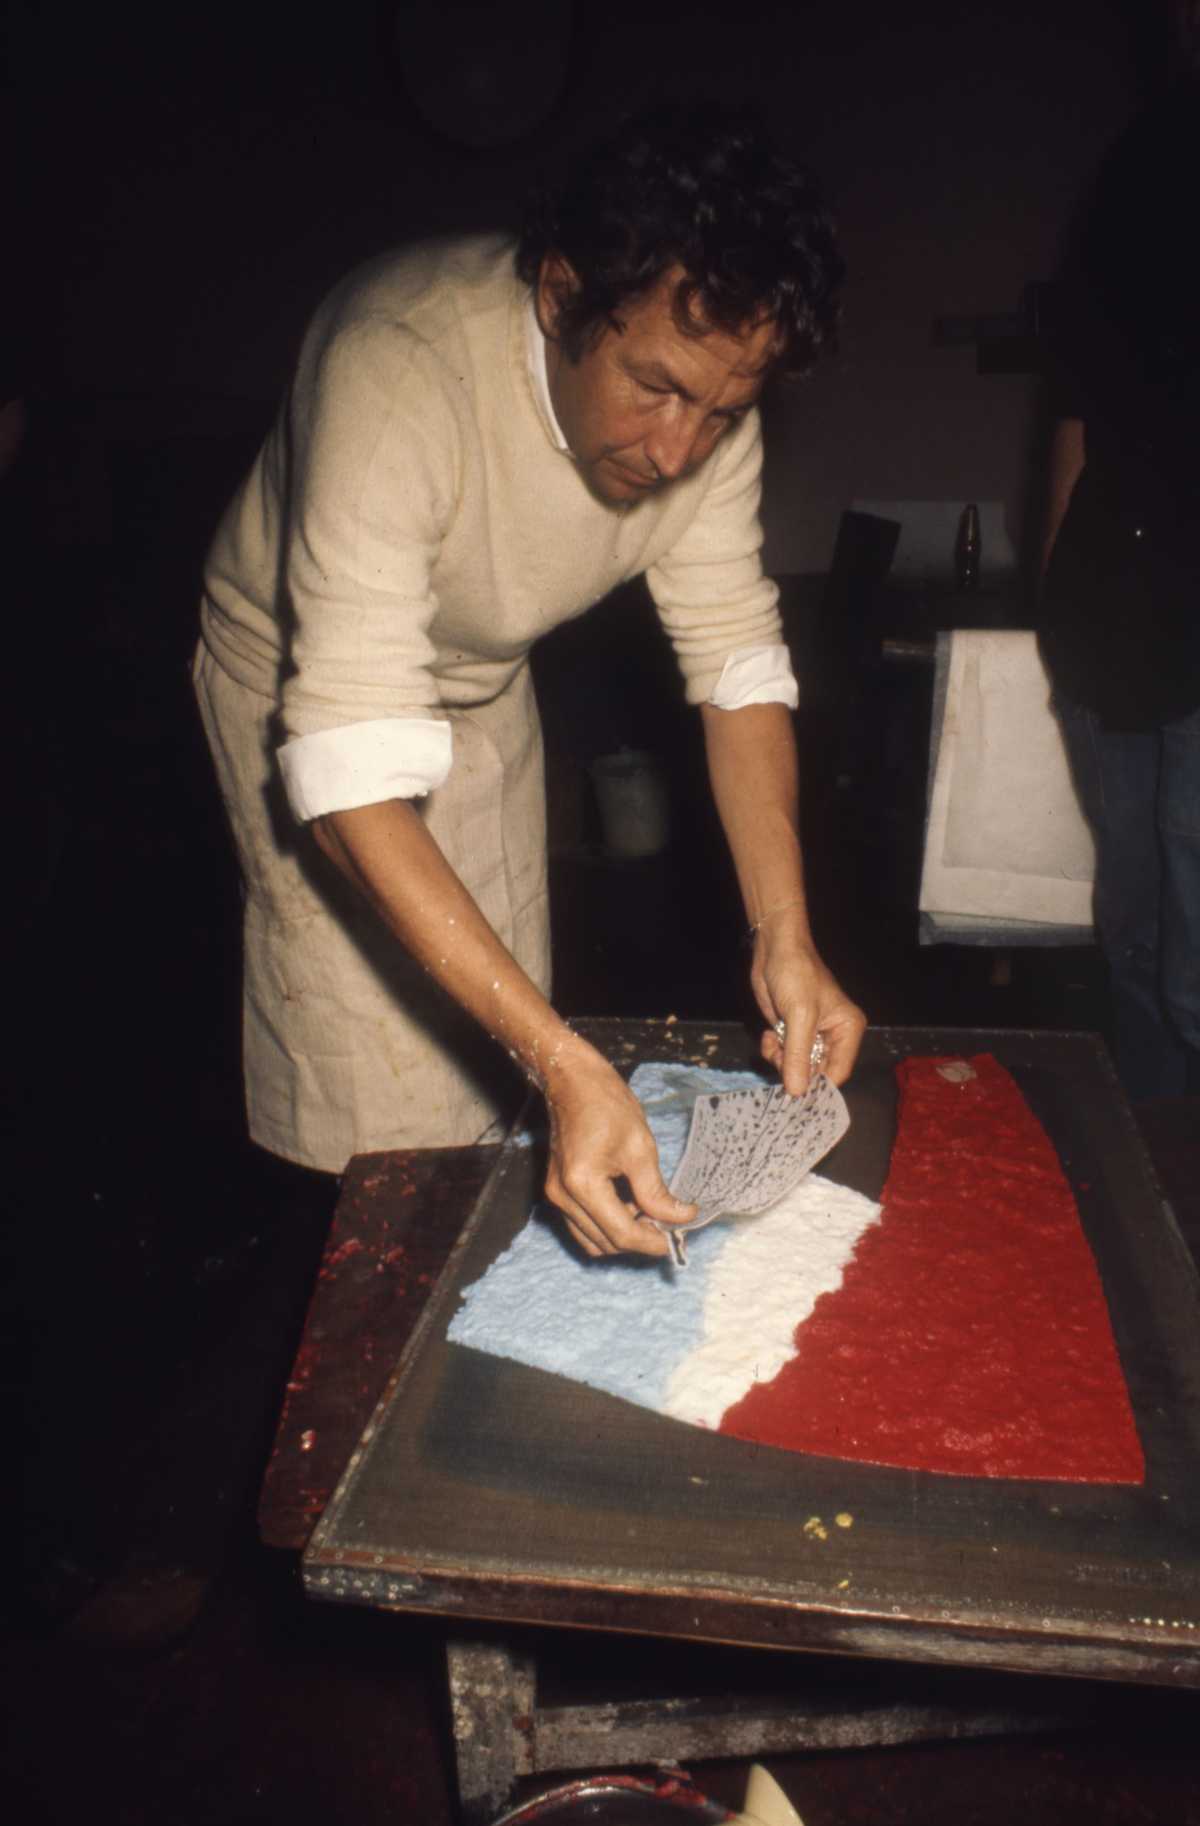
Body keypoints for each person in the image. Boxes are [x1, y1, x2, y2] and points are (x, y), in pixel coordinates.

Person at [194, 103, 867, 1258]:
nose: (677, 452)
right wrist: (561, 1060)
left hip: (482, 672)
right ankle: (374, 1305)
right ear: (562, 295)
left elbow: (736, 661)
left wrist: (786, 933)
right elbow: (351, 757)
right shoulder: (394, 366)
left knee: (509, 1041)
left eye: (723, 411)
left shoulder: (705, 397)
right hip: (302, 687)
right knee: (383, 1077)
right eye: (653, 388)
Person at [1037, 47, 1200, 1102]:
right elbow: (1076, 418)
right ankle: (1154, 1170)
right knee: (1134, 930)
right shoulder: (1142, 163)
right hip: (1111, 610)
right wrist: (1054, 601)